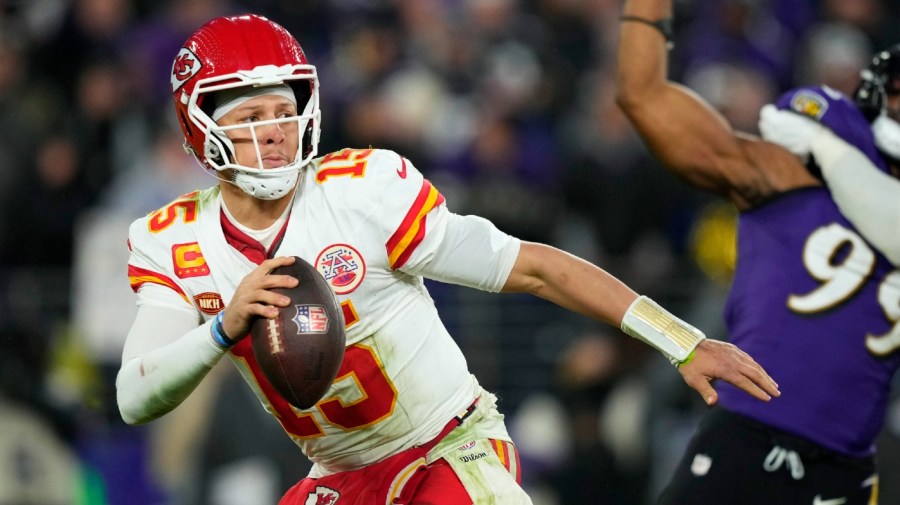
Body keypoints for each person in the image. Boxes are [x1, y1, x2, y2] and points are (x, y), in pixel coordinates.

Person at [115, 14, 778, 504]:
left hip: (447, 449)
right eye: (251, 115)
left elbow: (538, 266)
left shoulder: (362, 191)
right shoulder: (173, 240)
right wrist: (222, 327)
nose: (275, 132)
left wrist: (681, 340)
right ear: (199, 124)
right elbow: (135, 395)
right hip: (338, 476)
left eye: (284, 110)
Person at [615, 1, 900, 504]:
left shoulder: (828, 158)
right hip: (749, 436)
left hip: (847, 466)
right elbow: (645, 98)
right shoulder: (793, 172)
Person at [757, 43, 900, 266]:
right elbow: (796, 109)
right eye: (895, 91)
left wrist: (826, 147)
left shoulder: (832, 142)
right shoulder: (847, 126)